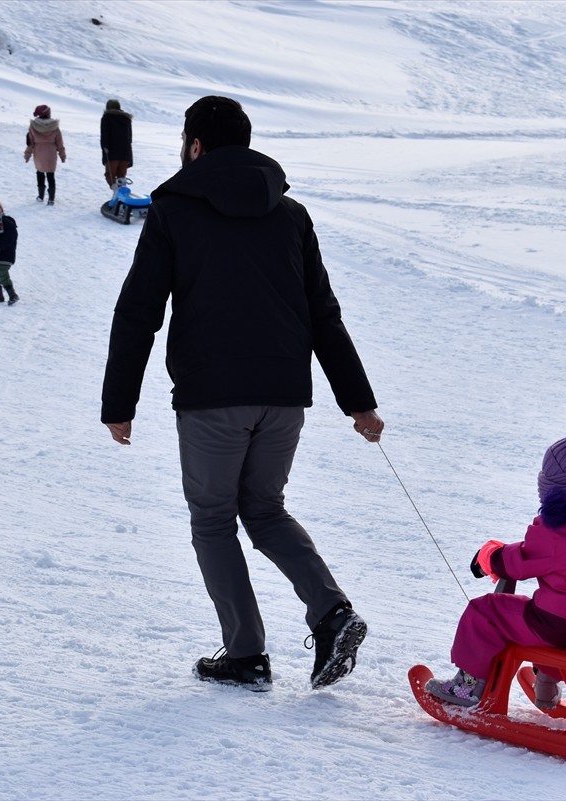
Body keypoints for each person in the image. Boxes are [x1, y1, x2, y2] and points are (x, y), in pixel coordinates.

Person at [101, 95, 384, 693]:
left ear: (196, 146)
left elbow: (138, 313)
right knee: (264, 509)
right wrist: (358, 400)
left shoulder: (174, 210)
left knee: (212, 519)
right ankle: (332, 614)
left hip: (211, 396)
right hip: (284, 395)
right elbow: (323, 316)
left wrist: (118, 403)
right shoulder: (290, 213)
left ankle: (245, 654)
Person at [424, 419, 566, 709]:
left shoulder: (558, 528)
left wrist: (490, 555)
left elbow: (520, 563)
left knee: (486, 611)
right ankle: (547, 688)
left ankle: (466, 687)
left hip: (559, 628)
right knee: (542, 609)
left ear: (555, 488)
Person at [24, 104, 66, 205]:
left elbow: (31, 143)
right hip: (51, 154)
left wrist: (27, 154)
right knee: (51, 175)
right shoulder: (55, 127)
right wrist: (62, 155)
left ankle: (41, 196)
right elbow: (59, 143)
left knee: (40, 173)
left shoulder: (33, 127)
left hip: (39, 154)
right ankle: (51, 199)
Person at [100, 98, 133, 188]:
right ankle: (122, 194)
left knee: (110, 175)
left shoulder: (107, 118)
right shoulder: (126, 119)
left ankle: (116, 193)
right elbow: (130, 137)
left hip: (112, 152)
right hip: (125, 152)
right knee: (121, 175)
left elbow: (104, 135)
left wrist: (105, 147)